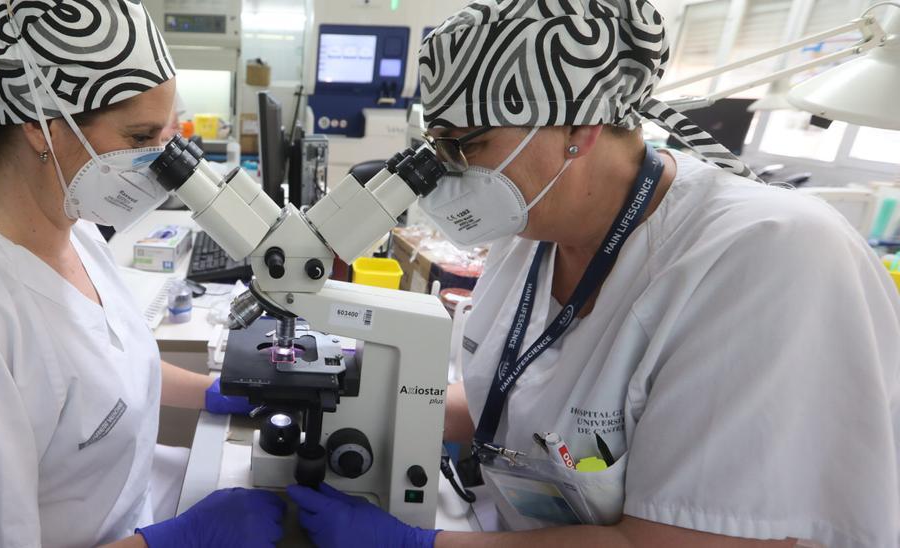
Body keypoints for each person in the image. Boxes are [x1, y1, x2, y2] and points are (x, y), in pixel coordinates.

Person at [286, 1, 900, 547]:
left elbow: (684, 539)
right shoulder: (534, 226)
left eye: (465, 147)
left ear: (578, 129)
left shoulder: (768, 258)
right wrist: (333, 385)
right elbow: (507, 403)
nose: (449, 174)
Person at [0, 1, 280, 547]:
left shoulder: (73, 227)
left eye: (169, 133)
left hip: (123, 507)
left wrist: (215, 390)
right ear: (40, 127)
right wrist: (177, 541)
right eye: (141, 138)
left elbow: (93, 368)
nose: (163, 160)